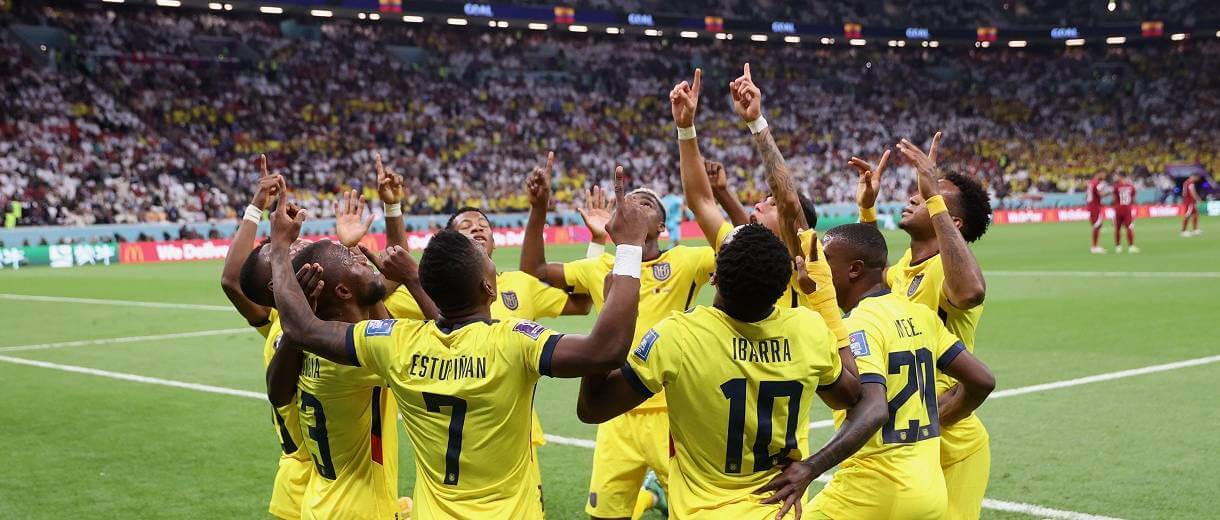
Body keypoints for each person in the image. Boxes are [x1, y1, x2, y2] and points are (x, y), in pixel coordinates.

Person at [267, 168, 655, 519]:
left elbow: (303, 328)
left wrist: (281, 248)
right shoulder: (513, 340)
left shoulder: (396, 341)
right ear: (489, 288)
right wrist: (629, 247)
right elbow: (605, 350)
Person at [576, 223, 865, 519]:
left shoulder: (678, 336)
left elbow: (592, 408)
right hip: (776, 510)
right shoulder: (809, 329)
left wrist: (609, 312)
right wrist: (825, 299)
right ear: (781, 288)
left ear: (714, 277)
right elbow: (851, 395)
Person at [520, 157, 718, 520]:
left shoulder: (686, 261)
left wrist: (714, 194)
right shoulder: (600, 268)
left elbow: (732, 249)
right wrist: (539, 209)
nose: (634, 205)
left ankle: (652, 498)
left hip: (672, 411)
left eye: (646, 204)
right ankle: (647, 498)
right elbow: (533, 270)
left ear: (661, 224)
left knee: (695, 512)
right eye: (629, 202)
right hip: (614, 412)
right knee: (606, 514)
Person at [807, 223, 996, 519]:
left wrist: (809, 468)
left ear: (854, 269)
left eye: (825, 259)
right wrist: (940, 415)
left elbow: (873, 410)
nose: (816, 266)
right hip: (929, 493)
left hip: (873, 493)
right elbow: (982, 381)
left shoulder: (858, 325)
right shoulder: (919, 313)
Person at [856, 133, 995, 520]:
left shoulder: (947, 272)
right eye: (919, 192)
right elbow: (863, 282)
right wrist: (867, 210)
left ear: (951, 220)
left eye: (930, 196)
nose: (915, 196)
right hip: (909, 438)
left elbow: (970, 293)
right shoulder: (903, 267)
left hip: (953, 441)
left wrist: (934, 196)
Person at [670, 65, 851, 357]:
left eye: (770, 204)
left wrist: (756, 123)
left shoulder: (803, 260)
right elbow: (701, 203)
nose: (758, 204)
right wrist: (685, 128)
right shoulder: (742, 250)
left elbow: (789, 201)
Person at [218, 155, 311, 519]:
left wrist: (258, 208)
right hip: (332, 483)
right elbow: (233, 280)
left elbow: (230, 280)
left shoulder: (277, 322)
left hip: (294, 483)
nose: (293, 250)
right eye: (283, 257)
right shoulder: (319, 325)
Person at [1112, 174, 1139, 253]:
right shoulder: (1131, 186)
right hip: (1127, 209)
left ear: (1120, 177)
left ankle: (1118, 247)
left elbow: (1114, 199)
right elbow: (1133, 199)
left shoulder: (1116, 186)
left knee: (1117, 228)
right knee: (1129, 227)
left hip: (1118, 208)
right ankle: (1131, 246)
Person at [1085, 172, 1108, 253]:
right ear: (1099, 174)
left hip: (1092, 205)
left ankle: (1095, 246)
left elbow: (1087, 195)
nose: (1105, 176)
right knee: (1097, 225)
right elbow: (1100, 194)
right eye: (1103, 174)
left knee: (1098, 225)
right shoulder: (1096, 183)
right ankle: (1094, 247)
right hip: (1094, 206)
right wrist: (1110, 192)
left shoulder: (1091, 183)